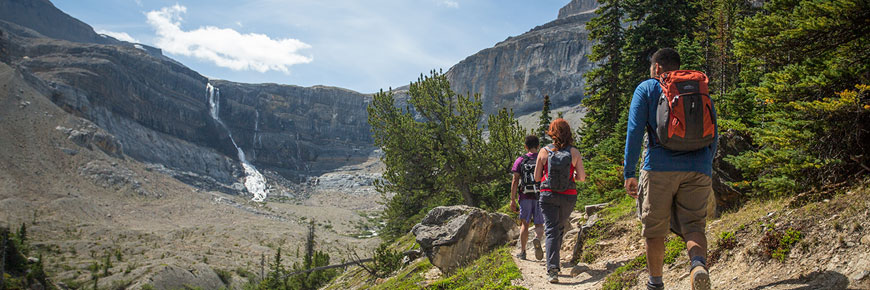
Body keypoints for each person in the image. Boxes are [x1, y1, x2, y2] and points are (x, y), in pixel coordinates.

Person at [623, 48, 717, 290]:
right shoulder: (698, 88)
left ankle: (655, 284)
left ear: (657, 67)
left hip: (658, 168)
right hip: (698, 167)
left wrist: (629, 173)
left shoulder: (647, 88)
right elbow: (713, 130)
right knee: (694, 225)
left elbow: (634, 131)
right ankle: (698, 265)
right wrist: (705, 163)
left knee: (654, 230)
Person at [534, 118, 586, 283]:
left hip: (547, 195)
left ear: (551, 133)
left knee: (551, 229)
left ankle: (553, 269)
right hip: (568, 195)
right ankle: (554, 263)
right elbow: (582, 178)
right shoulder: (574, 152)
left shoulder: (544, 151)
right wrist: (573, 175)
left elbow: (537, 177)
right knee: (559, 227)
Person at [510, 135, 546, 261]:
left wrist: (513, 199)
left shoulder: (520, 160)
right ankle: (537, 238)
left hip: (525, 196)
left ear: (526, 146)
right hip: (540, 195)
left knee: (524, 224)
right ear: (538, 146)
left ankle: (523, 251)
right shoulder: (542, 158)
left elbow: (515, 180)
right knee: (539, 223)